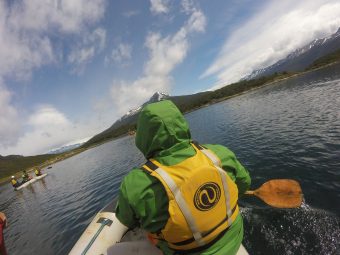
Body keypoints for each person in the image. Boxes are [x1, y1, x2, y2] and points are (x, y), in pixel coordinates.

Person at [116, 100, 251, 255]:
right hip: (234, 238)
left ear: (143, 137)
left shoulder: (134, 184)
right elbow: (244, 183)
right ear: (180, 123)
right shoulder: (220, 154)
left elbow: (126, 220)